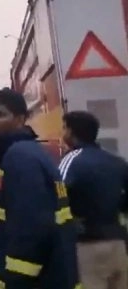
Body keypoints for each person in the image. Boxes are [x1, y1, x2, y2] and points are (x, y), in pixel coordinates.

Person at [0, 88, 79, 289]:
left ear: (20, 119)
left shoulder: (19, 158)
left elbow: (32, 234)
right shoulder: (26, 152)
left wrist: (15, 282)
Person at [58, 110, 128, 289]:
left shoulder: (71, 160)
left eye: (64, 127)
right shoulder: (117, 162)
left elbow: (57, 195)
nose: (62, 132)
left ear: (71, 132)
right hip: (118, 244)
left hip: (87, 246)